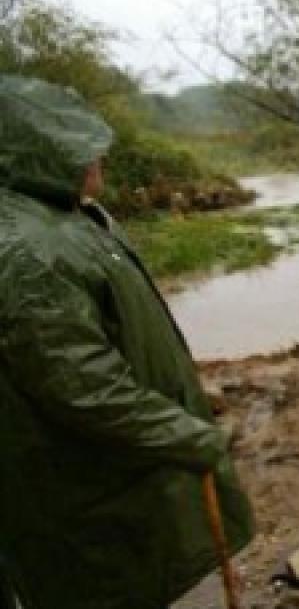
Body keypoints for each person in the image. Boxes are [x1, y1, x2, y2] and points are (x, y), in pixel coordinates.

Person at [0, 76, 254, 609]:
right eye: (84, 149)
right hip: (100, 497)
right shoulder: (27, 250)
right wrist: (190, 434)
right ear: (44, 153)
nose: (100, 160)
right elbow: (83, 389)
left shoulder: (68, 217)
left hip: (134, 475)